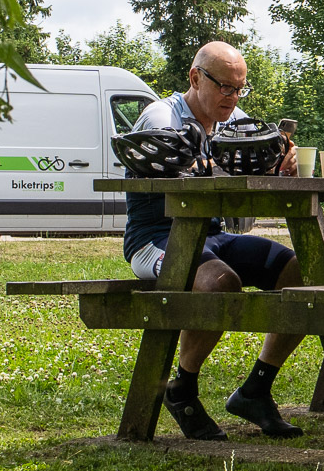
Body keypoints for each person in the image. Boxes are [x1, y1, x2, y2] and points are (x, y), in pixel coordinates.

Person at [122, 41, 305, 440]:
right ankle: (182, 388)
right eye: (224, 87)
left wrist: (280, 164)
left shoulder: (234, 120)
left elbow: (253, 175)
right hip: (154, 238)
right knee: (219, 283)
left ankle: (256, 389)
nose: (232, 97)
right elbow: (171, 179)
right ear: (195, 78)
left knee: (302, 273)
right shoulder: (161, 117)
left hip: (212, 235)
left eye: (239, 88)